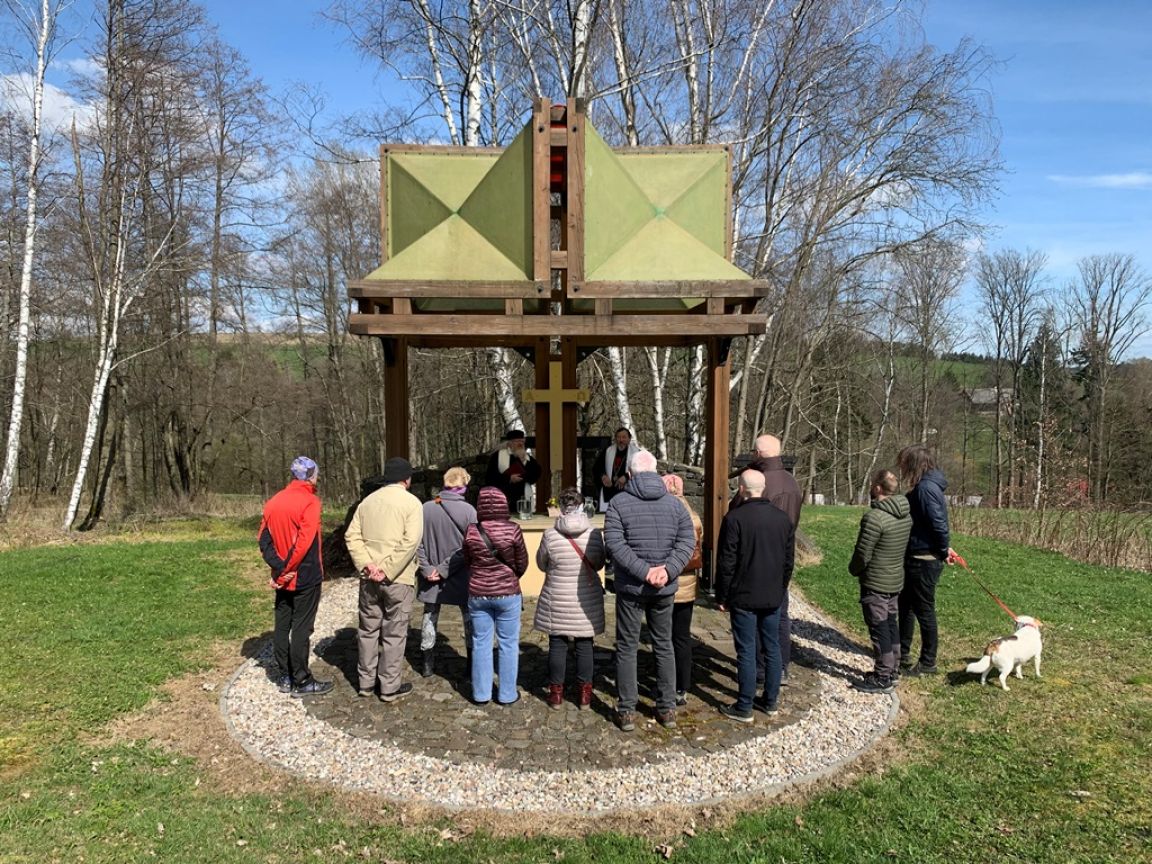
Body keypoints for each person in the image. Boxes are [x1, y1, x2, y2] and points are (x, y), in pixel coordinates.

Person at [603, 450, 696, 731]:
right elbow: (687, 542)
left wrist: (645, 572)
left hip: (632, 586)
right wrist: (666, 571)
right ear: (656, 472)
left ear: (630, 474)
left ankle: (627, 710)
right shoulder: (675, 505)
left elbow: (615, 544)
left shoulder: (617, 503)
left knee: (627, 646)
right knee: (664, 644)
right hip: (663, 588)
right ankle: (666, 708)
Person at [714, 470, 795, 722]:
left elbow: (726, 562)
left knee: (747, 650)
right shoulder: (783, 519)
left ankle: (745, 705)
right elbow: (788, 562)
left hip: (744, 595)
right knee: (772, 647)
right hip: (772, 595)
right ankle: (770, 702)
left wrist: (722, 596)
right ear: (764, 488)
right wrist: (781, 588)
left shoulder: (734, 518)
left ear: (741, 489)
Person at [345, 456, 423, 702]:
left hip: (369, 577)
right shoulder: (412, 503)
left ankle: (366, 683)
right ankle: (389, 686)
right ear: (407, 479)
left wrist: (367, 564)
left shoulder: (367, 502)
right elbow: (411, 542)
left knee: (367, 630)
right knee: (394, 633)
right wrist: (387, 570)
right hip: (398, 578)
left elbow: (351, 536)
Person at [258, 456, 333, 697]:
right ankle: (302, 679)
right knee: (301, 628)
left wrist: (279, 569)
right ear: (310, 476)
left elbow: (264, 540)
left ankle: (285, 676)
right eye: (316, 474)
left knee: (282, 626)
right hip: (304, 575)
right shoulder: (310, 501)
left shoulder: (273, 501)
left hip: (283, 576)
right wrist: (287, 570)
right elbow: (304, 542)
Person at [732, 433, 803, 684]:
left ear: (758, 454)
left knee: (754, 619)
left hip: (755, 558)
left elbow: (737, 515)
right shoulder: (792, 482)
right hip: (781, 556)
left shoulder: (760, 481)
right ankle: (780, 667)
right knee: (780, 615)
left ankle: (760, 670)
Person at [534, 487, 606, 710]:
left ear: (561, 508)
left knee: (557, 643)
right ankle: (585, 695)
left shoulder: (550, 535)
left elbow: (541, 564)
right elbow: (599, 563)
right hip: (586, 597)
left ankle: (556, 694)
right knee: (585, 644)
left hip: (557, 595)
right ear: (581, 505)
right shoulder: (594, 534)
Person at [848, 469, 913, 694]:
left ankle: (883, 675)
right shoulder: (906, 515)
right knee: (890, 623)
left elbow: (863, 553)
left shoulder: (874, 518)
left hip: (876, 581)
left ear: (877, 488)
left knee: (879, 627)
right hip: (895, 579)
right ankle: (893, 668)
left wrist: (854, 569)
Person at [463, 487, 529, 705]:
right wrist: (510, 576)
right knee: (508, 643)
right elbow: (522, 562)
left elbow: (467, 560)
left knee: (480, 642)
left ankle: (481, 694)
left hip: (478, 593)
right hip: (507, 593)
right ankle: (507, 694)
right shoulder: (513, 529)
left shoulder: (471, 530)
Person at [898, 444, 955, 677]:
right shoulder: (927, 487)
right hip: (918, 555)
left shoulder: (925, 489)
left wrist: (942, 550)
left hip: (923, 559)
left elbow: (938, 525)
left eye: (904, 465)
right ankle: (901, 653)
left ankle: (928, 662)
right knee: (906, 606)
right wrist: (944, 548)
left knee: (924, 610)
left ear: (914, 464)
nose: (902, 470)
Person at [416, 466, 477, 679]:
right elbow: (470, 547)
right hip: (460, 575)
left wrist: (427, 568)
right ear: (463, 485)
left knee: (429, 615)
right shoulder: (469, 511)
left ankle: (427, 664)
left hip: (430, 575)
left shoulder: (426, 508)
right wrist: (444, 569)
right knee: (469, 618)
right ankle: (471, 664)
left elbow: (417, 543)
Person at [662, 473, 702, 706]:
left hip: (666, 581)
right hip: (687, 583)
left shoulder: (663, 514)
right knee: (682, 636)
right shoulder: (694, 516)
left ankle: (666, 681)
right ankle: (682, 686)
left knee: (663, 636)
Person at [485, 429, 542, 512]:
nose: (521, 444)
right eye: (517, 441)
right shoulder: (497, 456)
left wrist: (524, 463)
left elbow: (536, 473)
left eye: (522, 441)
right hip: (503, 497)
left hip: (523, 497)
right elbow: (490, 477)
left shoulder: (528, 458)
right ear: (509, 443)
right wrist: (509, 478)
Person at [597, 427, 638, 511]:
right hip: (610, 490)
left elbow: (640, 470)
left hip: (628, 491)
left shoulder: (636, 453)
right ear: (615, 438)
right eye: (618, 437)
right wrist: (603, 476)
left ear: (629, 439)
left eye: (624, 437)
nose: (621, 440)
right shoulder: (608, 451)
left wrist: (626, 476)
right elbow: (598, 467)